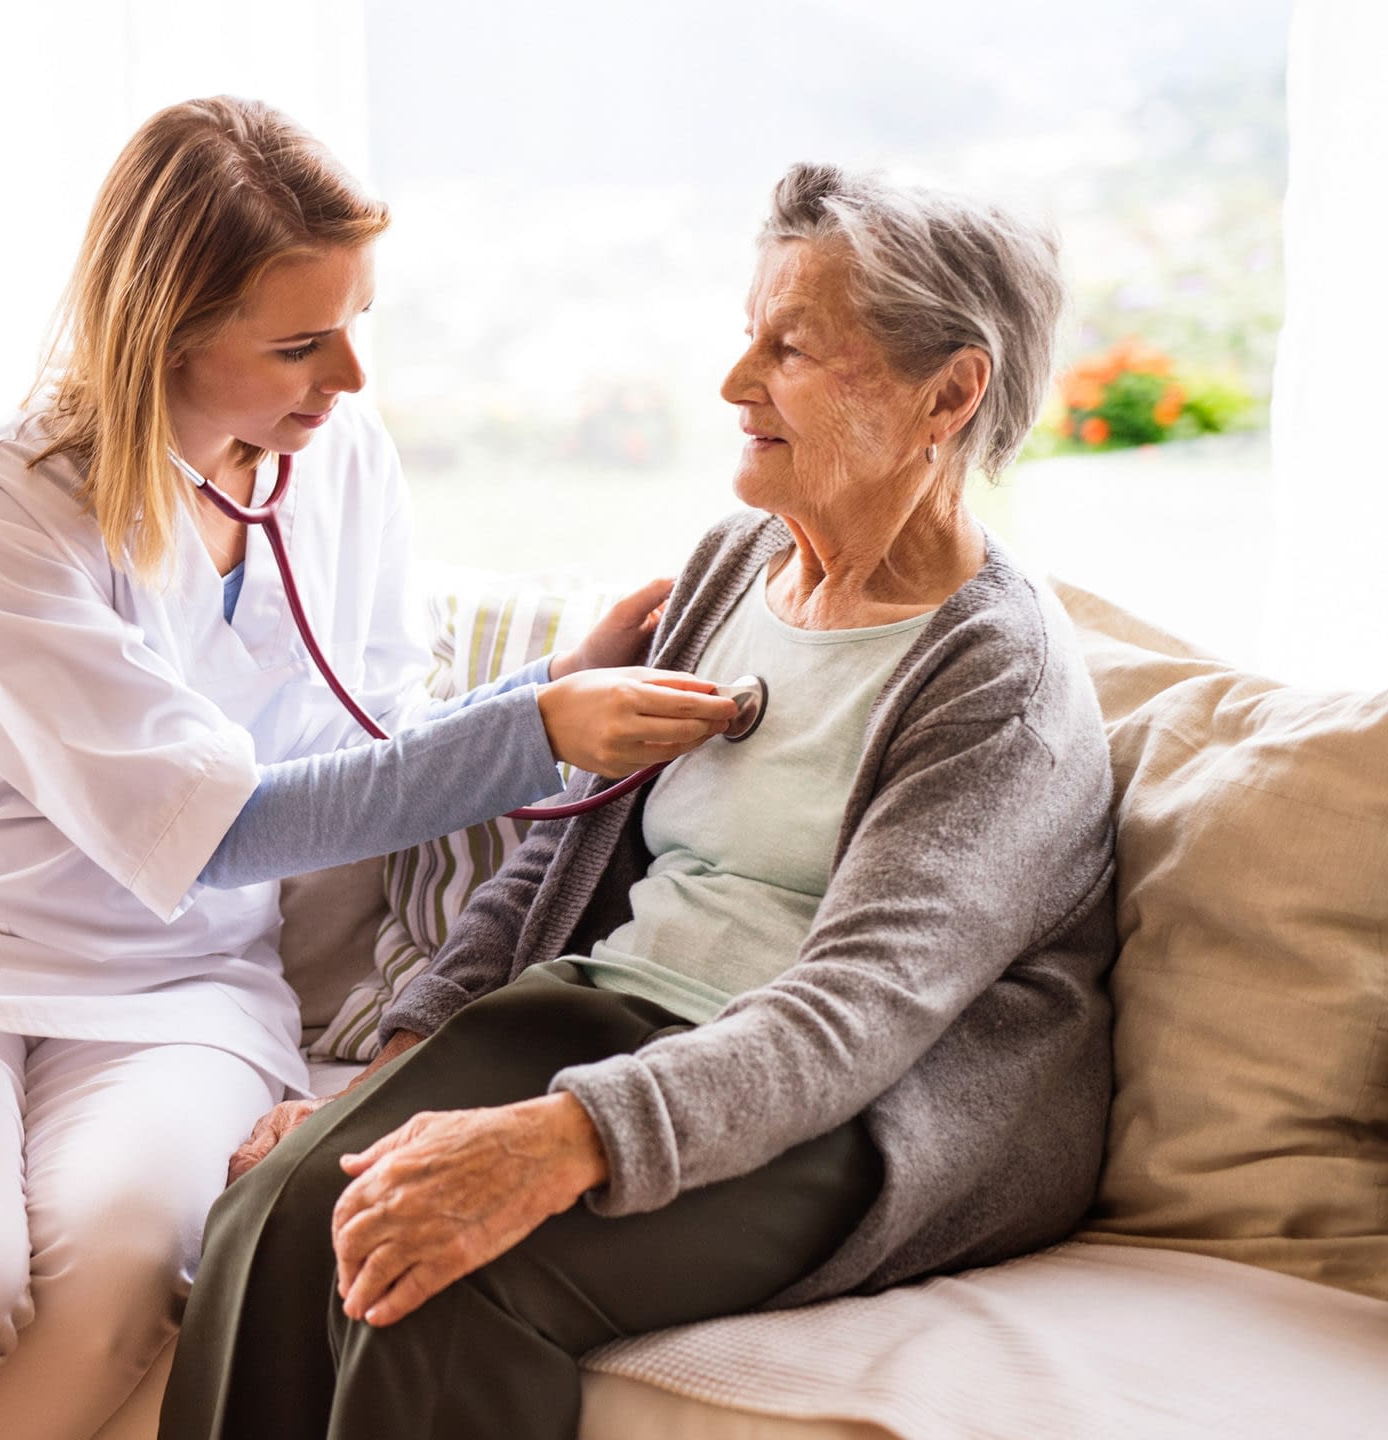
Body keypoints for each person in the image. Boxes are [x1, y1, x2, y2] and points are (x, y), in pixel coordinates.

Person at [0, 97, 738, 1440]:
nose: (349, 379)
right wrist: (539, 727)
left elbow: (370, 745)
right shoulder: (7, 504)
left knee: (121, 1274)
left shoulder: (340, 468)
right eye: (298, 343)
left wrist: (544, 688)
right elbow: (220, 829)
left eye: (354, 324)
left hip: (181, 981)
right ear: (162, 332)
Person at [163, 162, 1120, 1440]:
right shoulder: (736, 566)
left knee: (437, 1281)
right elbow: (555, 865)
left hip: (850, 1113)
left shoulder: (996, 682)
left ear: (947, 392)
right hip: (609, 1016)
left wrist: (556, 1142)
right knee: (280, 1202)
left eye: (791, 349)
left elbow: (854, 1018)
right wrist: (398, 1059)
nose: (735, 385)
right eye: (749, 335)